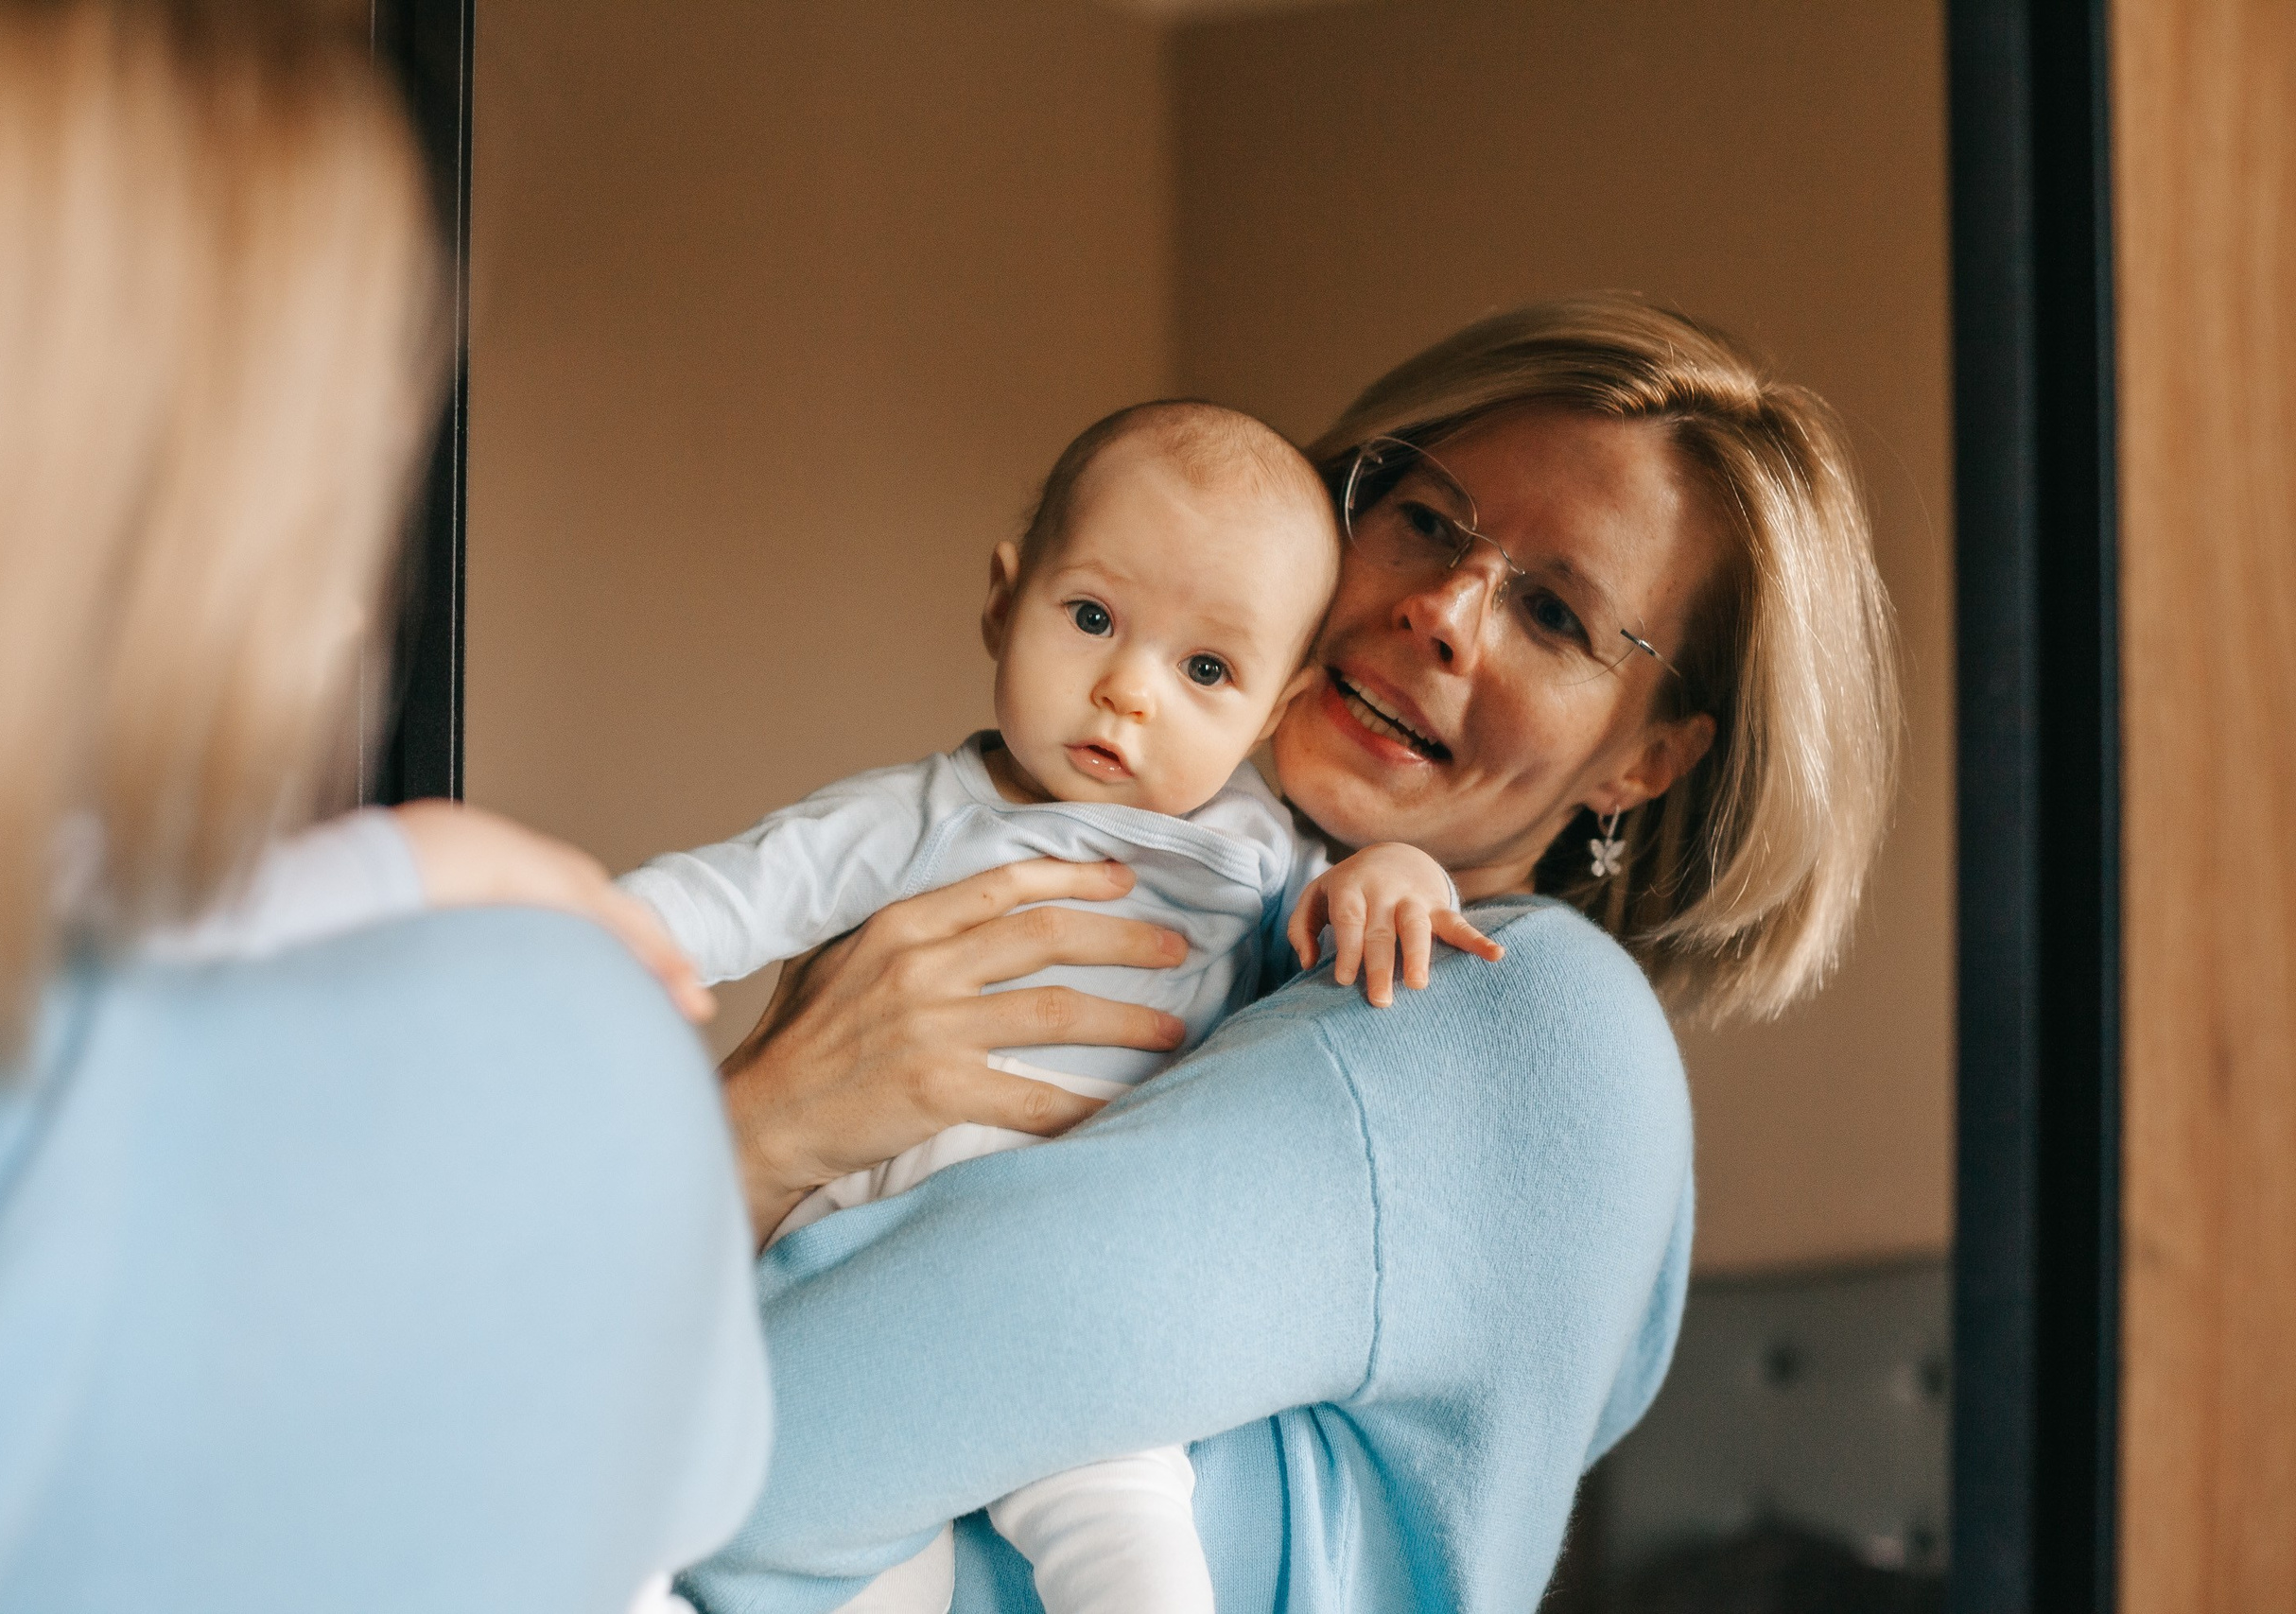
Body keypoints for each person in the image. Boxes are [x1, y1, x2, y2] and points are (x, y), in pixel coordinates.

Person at [674, 293, 1902, 1614]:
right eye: (1427, 520)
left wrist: (752, 1139)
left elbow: (737, 1473)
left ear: (1647, 757)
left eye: (1553, 613)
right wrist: (765, 1132)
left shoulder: (1515, 1012)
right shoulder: (1216, 922)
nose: (1444, 607)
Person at [0, 4, 758, 1608]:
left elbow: (37, 907)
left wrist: (388, 865)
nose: (354, 614)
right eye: (332, 493)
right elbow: (688, 1513)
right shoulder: (567, 1046)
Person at [620, 400, 1498, 1614]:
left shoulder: (1253, 856)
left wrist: (1395, 872)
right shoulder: (914, 817)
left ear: (1277, 705)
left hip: (1072, 1298)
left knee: (1127, 1522)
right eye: (1090, 617)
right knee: (653, 1468)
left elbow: (1343, 946)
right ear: (1002, 599)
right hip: (847, 1244)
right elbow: (722, 898)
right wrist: (551, 947)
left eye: (1206, 669)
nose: (1126, 691)